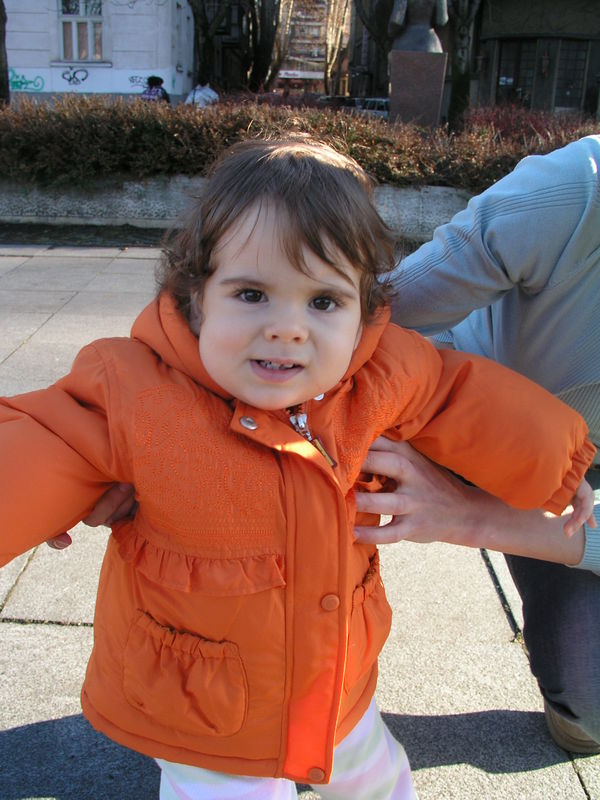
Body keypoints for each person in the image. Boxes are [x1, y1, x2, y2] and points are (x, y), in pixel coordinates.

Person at [0, 137, 595, 800]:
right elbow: (47, 437)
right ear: (196, 296)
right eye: (252, 293)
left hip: (334, 679)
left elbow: (454, 393)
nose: (288, 327)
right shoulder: (133, 390)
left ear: (363, 312)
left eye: (323, 302)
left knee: (377, 777)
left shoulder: (377, 373)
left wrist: (558, 463)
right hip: (204, 707)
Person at [355, 134, 600, 754]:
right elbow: (364, 317)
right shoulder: (577, 188)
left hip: (571, 470)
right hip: (480, 403)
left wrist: (468, 516)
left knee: (594, 701)